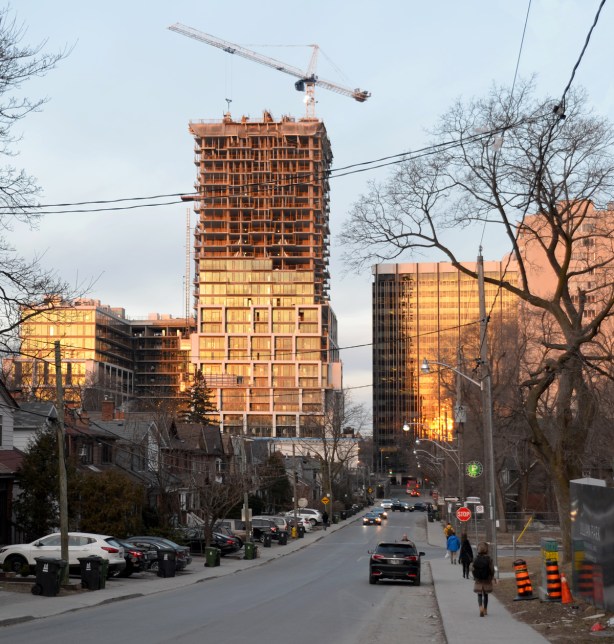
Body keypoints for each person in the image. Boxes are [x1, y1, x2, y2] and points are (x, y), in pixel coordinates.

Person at [472, 541, 496, 616]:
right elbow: (492, 569)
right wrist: (492, 577)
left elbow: (472, 568)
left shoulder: (476, 558)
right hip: (487, 579)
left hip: (478, 579)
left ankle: (480, 607)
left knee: (479, 594)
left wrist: (474, 576)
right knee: (486, 595)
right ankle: (485, 609)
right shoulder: (489, 559)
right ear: (486, 549)